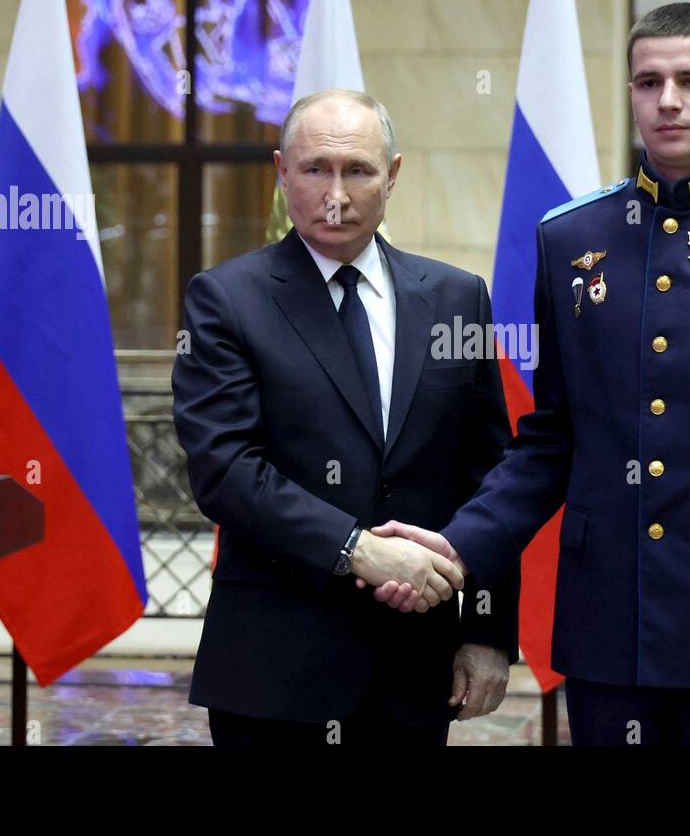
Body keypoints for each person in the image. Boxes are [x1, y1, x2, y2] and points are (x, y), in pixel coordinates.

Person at [370, 2, 690, 746]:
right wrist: (457, 544)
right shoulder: (571, 236)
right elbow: (552, 441)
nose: (667, 100)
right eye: (648, 81)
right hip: (613, 632)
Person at [172, 88, 519, 747]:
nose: (336, 193)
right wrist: (357, 550)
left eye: (357, 170)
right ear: (281, 172)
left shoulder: (456, 299)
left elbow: (491, 477)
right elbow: (225, 470)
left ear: (392, 175)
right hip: (277, 671)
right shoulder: (226, 300)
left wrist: (486, 630)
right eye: (314, 170)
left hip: (417, 672)